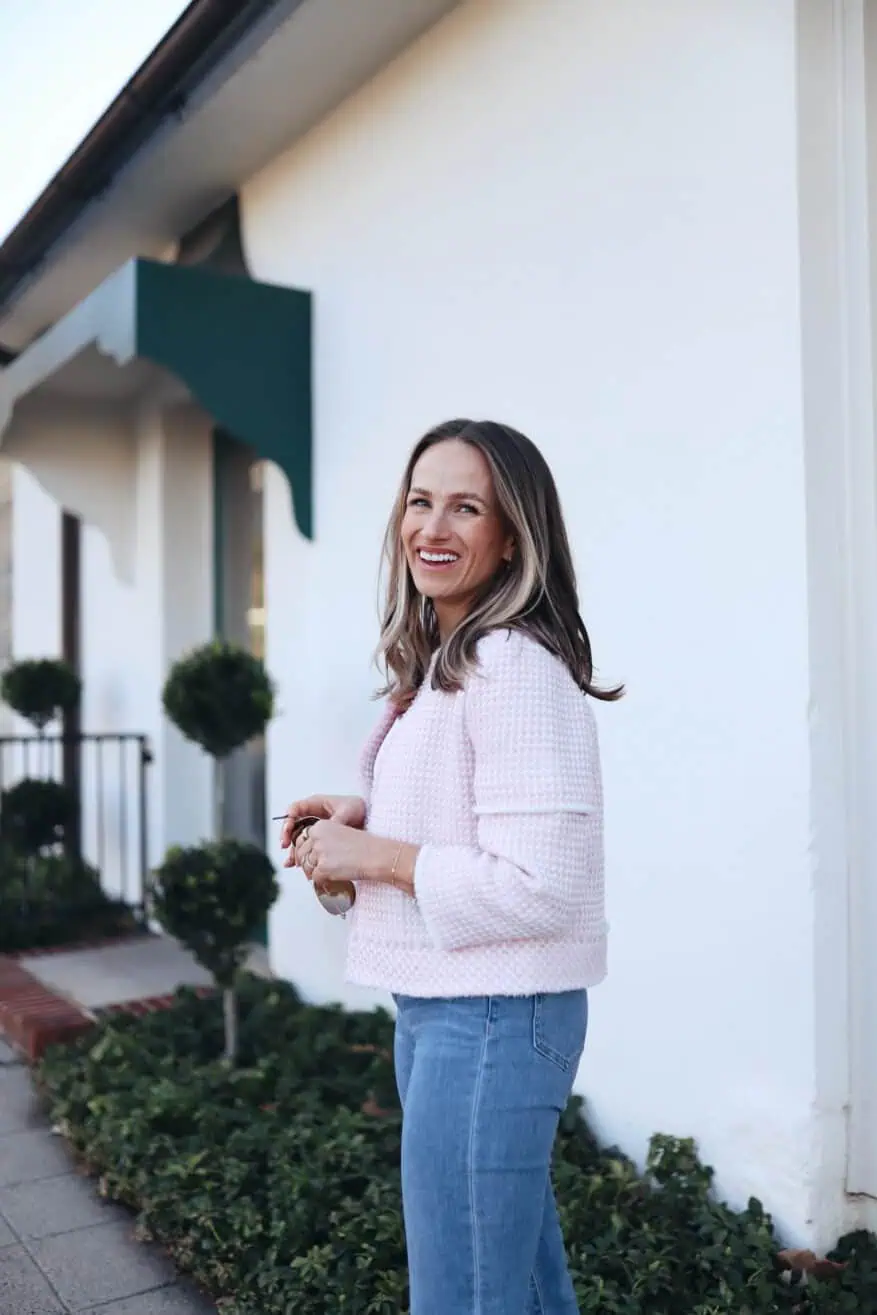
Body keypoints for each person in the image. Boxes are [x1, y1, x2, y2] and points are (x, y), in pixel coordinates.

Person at [281, 418, 621, 1315]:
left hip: (494, 1019)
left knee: (465, 1295)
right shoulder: (447, 664)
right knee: (517, 1287)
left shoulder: (511, 666)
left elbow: (541, 882)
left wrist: (380, 856)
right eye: (420, 500)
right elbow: (468, 825)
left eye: (465, 507)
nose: (432, 526)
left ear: (511, 537)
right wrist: (361, 826)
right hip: (453, 1013)